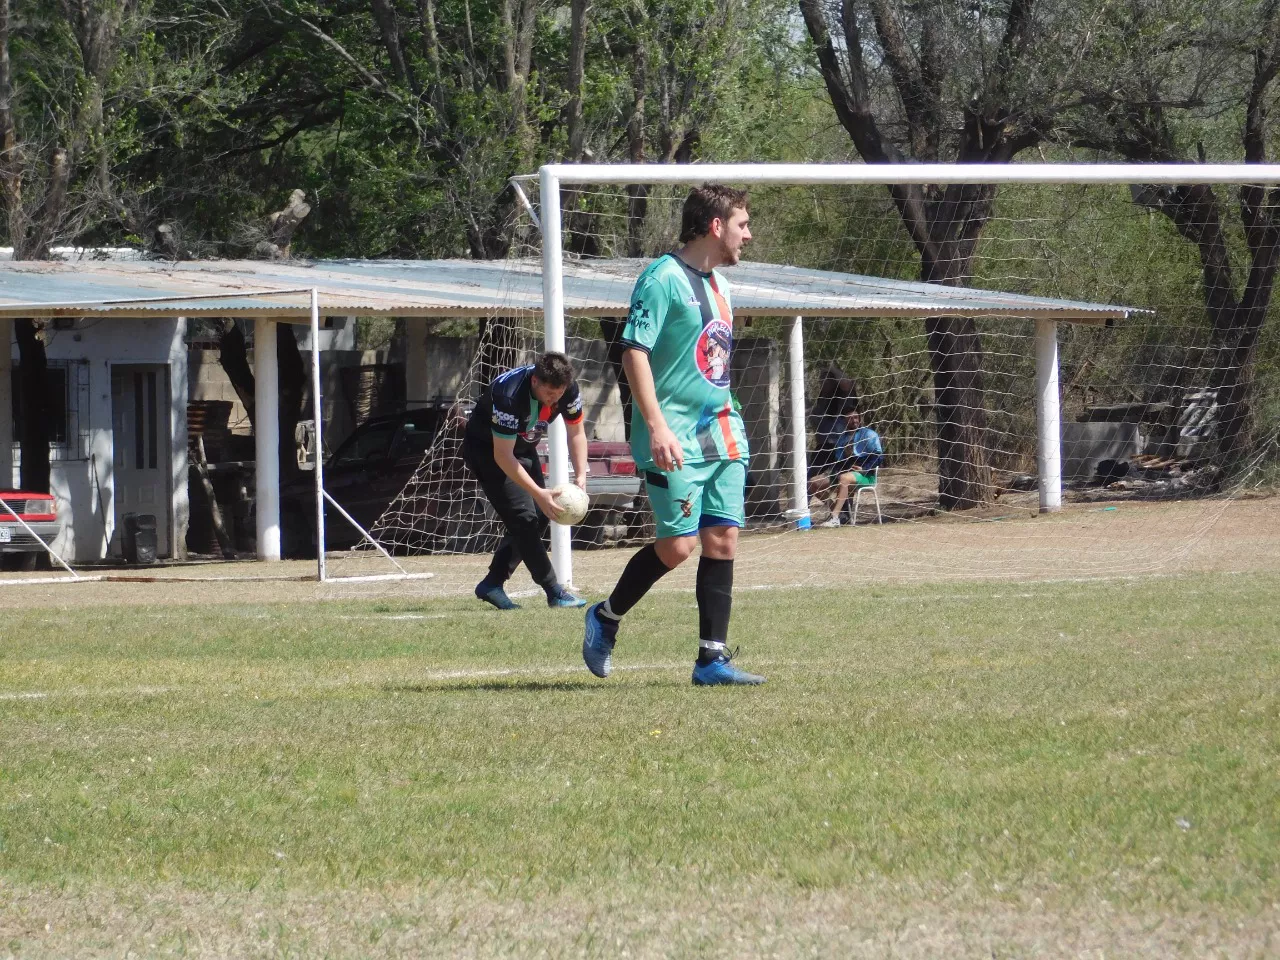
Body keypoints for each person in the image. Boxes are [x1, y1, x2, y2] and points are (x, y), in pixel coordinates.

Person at [581, 183, 765, 686]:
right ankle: (605, 616)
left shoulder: (722, 288)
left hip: (723, 433)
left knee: (723, 539)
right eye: (742, 224)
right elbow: (633, 351)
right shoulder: (660, 279)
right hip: (674, 436)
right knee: (678, 547)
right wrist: (657, 425)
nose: (748, 235)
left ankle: (712, 660)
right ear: (716, 226)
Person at [461, 352, 588, 610]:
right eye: (549, 393)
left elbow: (576, 431)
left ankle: (492, 583)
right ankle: (554, 591)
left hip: (521, 446)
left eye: (559, 393)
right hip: (488, 451)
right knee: (525, 518)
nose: (555, 399)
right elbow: (502, 456)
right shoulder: (509, 394)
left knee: (541, 516)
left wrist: (581, 475)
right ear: (535, 382)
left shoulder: (568, 389)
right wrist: (539, 493)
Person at [816, 410, 883, 528]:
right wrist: (832, 473)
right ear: (844, 421)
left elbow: (878, 456)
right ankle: (839, 513)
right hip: (844, 474)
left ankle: (835, 518)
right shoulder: (842, 440)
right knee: (813, 483)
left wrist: (864, 468)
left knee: (844, 478)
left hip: (865, 475)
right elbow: (838, 461)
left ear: (860, 419)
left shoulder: (869, 434)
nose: (854, 420)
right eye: (850, 418)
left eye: (856, 417)